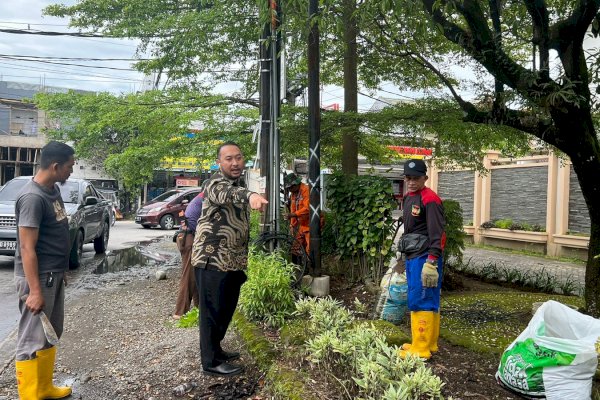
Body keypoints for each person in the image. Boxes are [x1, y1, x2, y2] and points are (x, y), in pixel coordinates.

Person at [191, 141, 268, 377]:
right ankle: (211, 362)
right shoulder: (215, 183)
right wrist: (252, 194)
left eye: (238, 157)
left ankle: (217, 350)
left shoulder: (238, 182)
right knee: (212, 312)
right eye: (229, 159)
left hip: (232, 261)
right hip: (212, 260)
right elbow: (228, 194)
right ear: (219, 162)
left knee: (225, 308)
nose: (235, 163)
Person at [14, 141, 75, 399]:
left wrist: (62, 271)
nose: (71, 171)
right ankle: (30, 395)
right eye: (69, 167)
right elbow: (27, 249)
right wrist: (35, 291)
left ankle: (43, 388)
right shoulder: (32, 197)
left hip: (53, 274)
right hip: (38, 279)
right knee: (32, 340)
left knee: (51, 333)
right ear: (55, 166)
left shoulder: (52, 190)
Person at [397, 159, 446, 360]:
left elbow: (438, 233)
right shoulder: (409, 198)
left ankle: (421, 348)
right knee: (428, 298)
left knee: (422, 299)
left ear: (425, 177)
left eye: (415, 178)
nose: (411, 181)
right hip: (413, 255)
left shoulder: (430, 199)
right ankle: (428, 343)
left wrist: (432, 260)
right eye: (408, 178)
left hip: (425, 257)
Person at [173, 192, 203, 319]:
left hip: (186, 238)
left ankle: (199, 309)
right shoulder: (203, 201)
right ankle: (180, 312)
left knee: (195, 274)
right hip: (189, 240)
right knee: (189, 276)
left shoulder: (198, 200)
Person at [284, 173, 310, 255]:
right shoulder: (294, 194)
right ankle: (299, 265)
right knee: (296, 247)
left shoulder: (306, 190)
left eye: (290, 188)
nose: (289, 190)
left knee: (310, 248)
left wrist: (293, 215)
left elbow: (307, 208)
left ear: (294, 185)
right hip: (302, 225)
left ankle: (312, 266)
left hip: (311, 224)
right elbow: (293, 209)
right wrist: (292, 225)